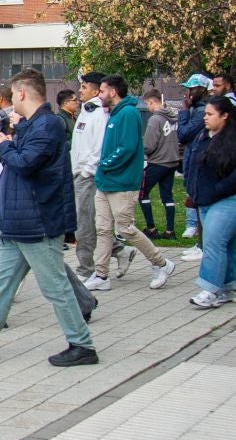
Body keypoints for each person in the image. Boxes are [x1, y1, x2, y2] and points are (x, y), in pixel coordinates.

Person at [0, 70, 95, 367]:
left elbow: (25, 163)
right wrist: (15, 136)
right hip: (17, 221)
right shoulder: (32, 125)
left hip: (37, 222)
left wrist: (4, 145)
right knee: (1, 285)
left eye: (12, 95)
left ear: (22, 94)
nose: (11, 101)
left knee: (55, 287)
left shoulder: (47, 125)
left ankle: (82, 345)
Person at [88, 76, 178, 291]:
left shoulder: (128, 113)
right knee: (102, 229)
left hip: (122, 182)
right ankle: (101, 275)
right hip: (106, 181)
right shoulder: (114, 114)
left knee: (126, 229)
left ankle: (162, 264)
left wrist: (105, 163)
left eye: (101, 91)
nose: (98, 95)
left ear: (112, 92)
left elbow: (127, 148)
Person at [184, 95, 236, 310]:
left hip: (232, 199)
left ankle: (210, 289)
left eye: (209, 114)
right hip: (206, 199)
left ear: (224, 116)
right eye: (204, 113)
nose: (205, 118)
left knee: (213, 242)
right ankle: (232, 288)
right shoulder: (203, 136)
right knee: (227, 243)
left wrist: (219, 189)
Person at [69, 73, 107, 281]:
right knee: (89, 221)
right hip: (78, 173)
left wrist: (86, 171)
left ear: (95, 90)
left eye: (84, 87)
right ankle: (121, 251)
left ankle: (86, 268)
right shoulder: (86, 111)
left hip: (87, 176)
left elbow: (98, 146)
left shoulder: (99, 113)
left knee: (83, 223)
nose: (80, 91)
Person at [138, 88, 181, 238]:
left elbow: (149, 145)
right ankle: (170, 231)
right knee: (167, 196)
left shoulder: (155, 119)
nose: (148, 108)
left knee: (142, 193)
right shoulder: (172, 117)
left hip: (158, 161)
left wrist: (142, 151)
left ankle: (151, 228)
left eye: (147, 104)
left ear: (151, 102)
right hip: (172, 161)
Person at [176, 75, 212, 240]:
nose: (188, 93)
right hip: (192, 158)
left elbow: (183, 134)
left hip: (199, 160)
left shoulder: (201, 111)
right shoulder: (195, 109)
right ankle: (199, 241)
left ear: (202, 90)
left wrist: (183, 112)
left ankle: (202, 242)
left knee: (199, 200)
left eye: (192, 89)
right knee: (193, 196)